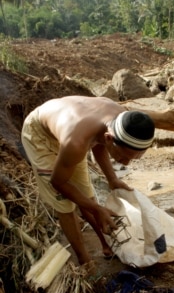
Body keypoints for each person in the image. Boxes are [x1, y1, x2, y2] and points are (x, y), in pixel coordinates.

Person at [21, 96, 155, 265]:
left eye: (133, 158)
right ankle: (84, 259)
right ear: (110, 139)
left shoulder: (123, 121)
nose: (125, 163)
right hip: (40, 135)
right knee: (65, 204)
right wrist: (97, 208)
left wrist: (112, 179)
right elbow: (58, 182)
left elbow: (99, 143)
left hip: (73, 131)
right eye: (123, 156)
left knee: (86, 194)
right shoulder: (76, 143)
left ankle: (106, 244)